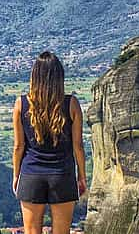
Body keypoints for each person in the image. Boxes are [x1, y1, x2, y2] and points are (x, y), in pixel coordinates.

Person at [12, 51, 86, 234]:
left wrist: (16, 175)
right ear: (59, 76)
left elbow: (19, 146)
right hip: (62, 175)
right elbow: (78, 146)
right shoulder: (71, 104)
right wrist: (82, 177)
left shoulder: (21, 104)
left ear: (34, 76)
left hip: (31, 174)